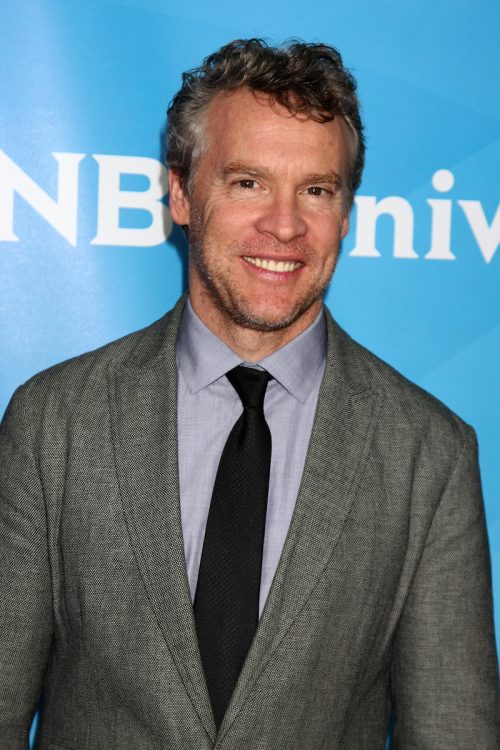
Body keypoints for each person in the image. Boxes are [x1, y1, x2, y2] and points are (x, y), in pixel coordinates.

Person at [0, 38, 498, 750]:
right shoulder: (54, 421)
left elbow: (453, 730)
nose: (285, 225)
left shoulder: (429, 454)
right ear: (181, 194)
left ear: (346, 214)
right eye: (247, 183)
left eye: (316, 190)